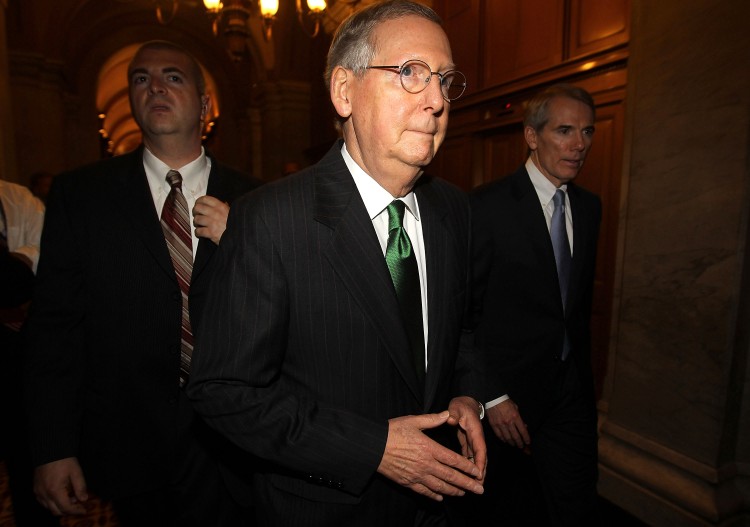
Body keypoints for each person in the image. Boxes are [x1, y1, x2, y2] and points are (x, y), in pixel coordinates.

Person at [187, 1, 486, 526]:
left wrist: (465, 394)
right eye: (411, 73)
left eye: (445, 79)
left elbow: (455, 330)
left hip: (438, 506)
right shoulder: (271, 220)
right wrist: (372, 448)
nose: (437, 100)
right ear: (344, 91)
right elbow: (224, 392)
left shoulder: (454, 209)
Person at [24, 40, 260, 526]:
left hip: (238, 442)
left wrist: (247, 244)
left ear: (204, 104)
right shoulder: (82, 196)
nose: (155, 86)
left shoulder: (257, 199)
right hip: (130, 442)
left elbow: (285, 319)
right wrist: (52, 448)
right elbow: (54, 330)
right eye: (140, 78)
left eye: (173, 76)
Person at [468, 83, 602, 526]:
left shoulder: (589, 207)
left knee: (575, 504)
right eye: (565, 130)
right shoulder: (486, 207)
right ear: (531, 136)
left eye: (587, 132)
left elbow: (571, 307)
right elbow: (464, 315)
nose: (578, 145)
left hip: (570, 392)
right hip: (507, 398)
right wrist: (492, 395)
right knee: (506, 509)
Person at [0, 178, 55, 527]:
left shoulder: (16, 197)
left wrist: (21, 261)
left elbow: (46, 252)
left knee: (27, 466)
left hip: (17, 359)